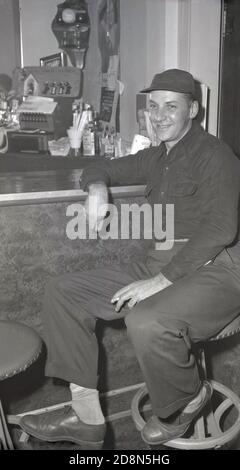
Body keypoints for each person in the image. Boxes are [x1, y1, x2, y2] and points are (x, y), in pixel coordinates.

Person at [19, 69, 240, 448]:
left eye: (171, 106)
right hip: (164, 263)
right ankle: (87, 418)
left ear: (194, 110)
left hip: (217, 267)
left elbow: (221, 229)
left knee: (147, 317)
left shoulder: (216, 154)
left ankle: (187, 397)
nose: (159, 115)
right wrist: (97, 187)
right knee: (64, 291)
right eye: (153, 106)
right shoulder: (155, 157)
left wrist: (160, 281)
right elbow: (102, 166)